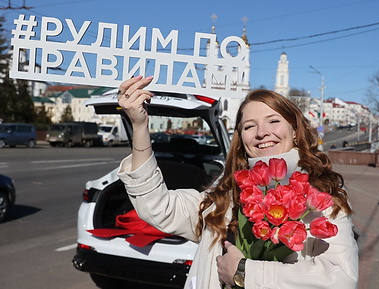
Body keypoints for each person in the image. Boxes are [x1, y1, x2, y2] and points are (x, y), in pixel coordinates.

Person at [117, 76, 359, 289]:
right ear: (242, 138)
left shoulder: (321, 194)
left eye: (273, 121)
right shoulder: (224, 195)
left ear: (294, 130)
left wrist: (244, 273)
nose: (262, 132)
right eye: (249, 126)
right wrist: (140, 126)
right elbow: (158, 207)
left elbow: (341, 277)